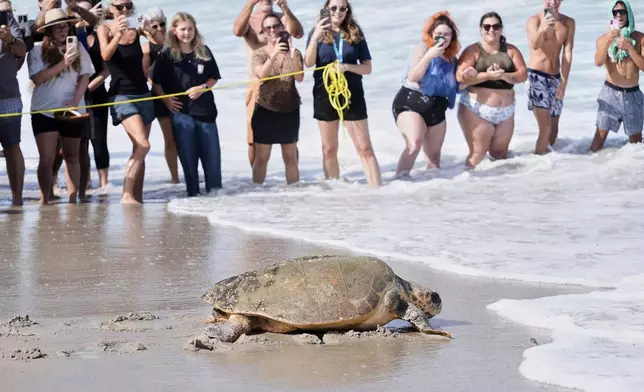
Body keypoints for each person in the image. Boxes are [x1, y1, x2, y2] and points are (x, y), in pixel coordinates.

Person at [304, 0, 381, 187]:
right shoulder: (316, 33)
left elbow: (367, 68)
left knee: (365, 148)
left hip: (351, 93)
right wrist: (315, 37)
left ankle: (378, 191)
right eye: (333, 8)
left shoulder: (355, 33)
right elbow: (308, 62)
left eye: (342, 9)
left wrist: (346, 67)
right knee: (329, 149)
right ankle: (335, 193)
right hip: (324, 93)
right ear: (326, 10)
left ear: (347, 11)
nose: (338, 12)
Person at [151, 12, 222, 197]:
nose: (187, 33)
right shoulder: (165, 55)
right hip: (181, 114)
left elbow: (214, 77)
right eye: (183, 29)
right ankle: (195, 203)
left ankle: (217, 202)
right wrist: (165, 99)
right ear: (174, 31)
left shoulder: (203, 51)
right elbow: (154, 80)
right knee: (189, 164)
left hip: (206, 112)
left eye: (190, 29)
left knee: (212, 163)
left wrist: (203, 87)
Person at [27, 8, 93, 204]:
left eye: (65, 26)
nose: (62, 31)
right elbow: (38, 78)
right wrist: (64, 63)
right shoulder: (37, 50)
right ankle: (44, 200)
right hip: (44, 110)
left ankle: (73, 200)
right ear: (48, 31)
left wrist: (76, 100)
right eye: (57, 28)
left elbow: (85, 76)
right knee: (47, 159)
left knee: (72, 156)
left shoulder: (78, 47)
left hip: (72, 108)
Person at [97, 0, 155, 204]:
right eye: (119, 6)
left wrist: (150, 29)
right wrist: (119, 34)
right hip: (121, 94)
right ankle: (126, 194)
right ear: (110, 8)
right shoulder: (104, 29)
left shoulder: (137, 29)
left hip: (144, 94)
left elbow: (160, 42)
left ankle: (137, 198)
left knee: (139, 150)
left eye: (128, 5)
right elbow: (105, 54)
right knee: (144, 144)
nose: (124, 10)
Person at [232, 0, 303, 167]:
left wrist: (284, 7)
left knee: (290, 141)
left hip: (285, 85)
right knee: (254, 140)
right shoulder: (249, 20)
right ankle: (256, 185)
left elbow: (298, 33)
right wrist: (250, 3)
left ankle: (295, 185)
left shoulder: (282, 20)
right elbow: (237, 31)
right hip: (257, 87)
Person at [391, 11, 461, 178]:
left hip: (437, 108)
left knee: (434, 159)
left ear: (452, 37)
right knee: (414, 143)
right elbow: (413, 77)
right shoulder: (422, 49)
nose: (442, 38)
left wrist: (471, 75)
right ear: (431, 35)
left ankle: (431, 195)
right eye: (438, 34)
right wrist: (429, 56)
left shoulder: (453, 60)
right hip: (411, 102)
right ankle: (398, 184)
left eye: (446, 34)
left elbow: (459, 87)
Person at [456, 12, 528, 168]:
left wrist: (504, 76)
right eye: (487, 27)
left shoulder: (511, 50)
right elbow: (460, 77)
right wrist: (487, 76)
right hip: (476, 110)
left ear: (501, 29)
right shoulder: (473, 50)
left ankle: (494, 189)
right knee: (478, 153)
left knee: (500, 154)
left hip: (506, 112)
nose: (491, 30)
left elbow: (523, 75)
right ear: (481, 30)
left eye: (496, 26)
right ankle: (465, 185)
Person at [250, 13, 304, 185]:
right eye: (268, 28)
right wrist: (274, 54)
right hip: (265, 109)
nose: (273, 30)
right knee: (262, 158)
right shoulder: (259, 54)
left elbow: (300, 77)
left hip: (290, 109)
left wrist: (291, 54)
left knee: (290, 158)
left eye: (276, 26)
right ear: (264, 32)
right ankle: (256, 195)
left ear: (282, 28)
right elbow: (262, 76)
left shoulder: (294, 52)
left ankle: (294, 195)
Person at [591, 0, 644, 152]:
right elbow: (598, 62)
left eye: (622, 11)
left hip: (633, 94)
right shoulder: (603, 39)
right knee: (599, 139)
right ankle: (589, 169)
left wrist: (630, 48)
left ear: (629, 14)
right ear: (611, 15)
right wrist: (608, 41)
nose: (619, 15)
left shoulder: (639, 39)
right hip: (610, 93)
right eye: (615, 12)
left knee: (636, 144)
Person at [525, 0, 575, 154]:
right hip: (536, 77)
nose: (553, 2)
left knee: (553, 132)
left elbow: (567, 53)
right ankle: (537, 166)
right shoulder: (534, 20)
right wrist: (543, 28)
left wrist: (564, 83)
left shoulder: (568, 23)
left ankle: (547, 167)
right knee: (545, 128)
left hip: (556, 78)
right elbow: (535, 44)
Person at [142, 7, 179, 184]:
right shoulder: (145, 47)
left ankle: (188, 173)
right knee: (169, 137)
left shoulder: (173, 41)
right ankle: (174, 178)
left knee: (184, 136)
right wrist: (164, 97)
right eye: (154, 25)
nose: (158, 28)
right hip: (158, 94)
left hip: (179, 91)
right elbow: (148, 76)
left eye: (162, 24)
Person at [76, 0, 110, 194]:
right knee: (81, 140)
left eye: (87, 12)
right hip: (75, 95)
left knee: (99, 138)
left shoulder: (100, 34)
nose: (83, 16)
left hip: (97, 92)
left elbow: (107, 69)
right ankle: (85, 181)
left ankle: (104, 183)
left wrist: (91, 84)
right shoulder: (72, 35)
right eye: (80, 12)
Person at [0, 6, 27, 206]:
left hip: (7, 96)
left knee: (12, 147)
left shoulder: (7, 19)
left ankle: (17, 198)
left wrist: (8, 39)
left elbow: (21, 50)